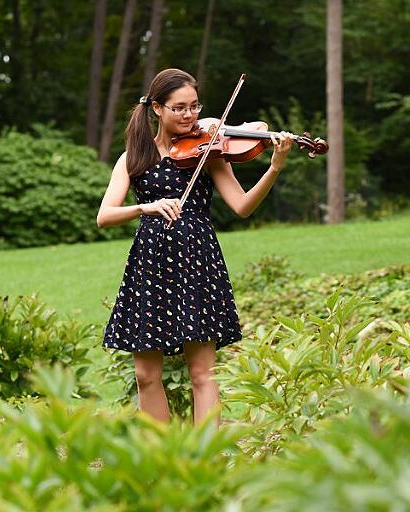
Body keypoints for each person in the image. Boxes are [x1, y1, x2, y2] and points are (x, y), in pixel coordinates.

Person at [96, 68, 294, 427]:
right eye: (179, 108)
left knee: (202, 372)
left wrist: (274, 168)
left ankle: (207, 457)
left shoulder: (210, 151)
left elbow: (243, 206)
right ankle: (161, 457)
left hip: (196, 259)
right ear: (157, 108)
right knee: (145, 374)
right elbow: (104, 215)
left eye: (194, 106)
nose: (190, 116)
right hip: (150, 264)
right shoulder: (133, 158)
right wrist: (146, 207)